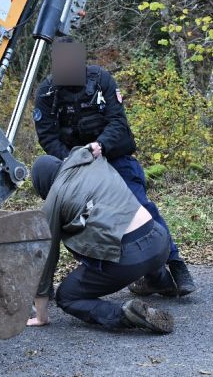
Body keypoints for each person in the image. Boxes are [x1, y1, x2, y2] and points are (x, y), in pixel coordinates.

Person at [33, 39, 196, 297]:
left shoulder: (101, 80)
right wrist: (74, 160)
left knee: (140, 206)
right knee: (73, 220)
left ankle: (174, 265)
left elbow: (118, 122)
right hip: (76, 167)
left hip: (114, 157)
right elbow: (47, 136)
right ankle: (72, 278)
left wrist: (100, 146)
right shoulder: (47, 93)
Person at [27, 149, 174, 333]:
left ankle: (124, 313)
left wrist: (41, 315)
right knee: (125, 223)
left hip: (129, 261)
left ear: (42, 185)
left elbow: (45, 260)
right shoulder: (91, 164)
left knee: (67, 296)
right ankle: (162, 281)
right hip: (160, 242)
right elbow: (83, 150)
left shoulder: (54, 197)